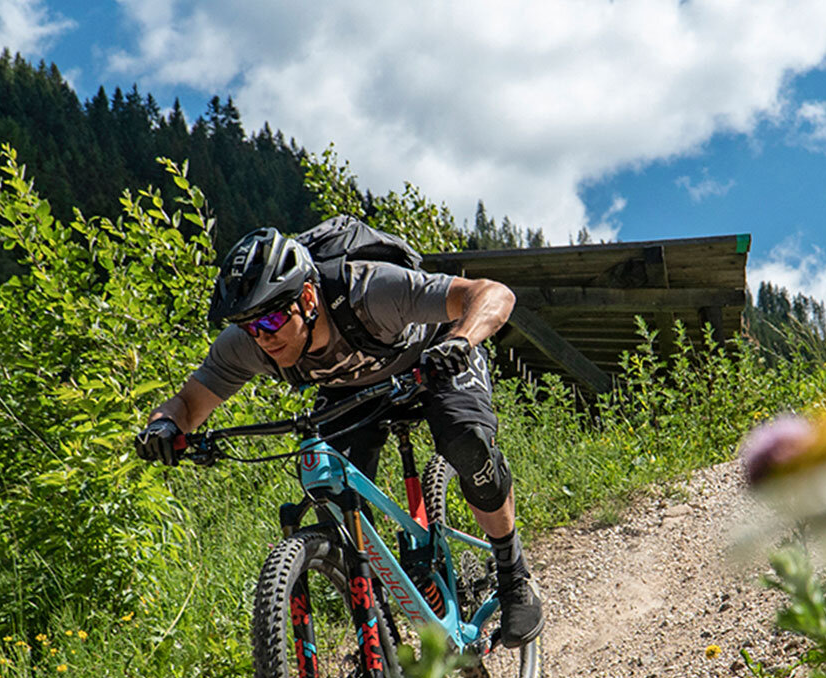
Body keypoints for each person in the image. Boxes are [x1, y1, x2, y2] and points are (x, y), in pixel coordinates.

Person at [134, 227, 543, 648]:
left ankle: (514, 577)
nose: (263, 337)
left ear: (308, 299)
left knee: (466, 445)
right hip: (354, 392)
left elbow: (492, 293)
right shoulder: (250, 343)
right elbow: (186, 404)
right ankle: (379, 626)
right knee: (330, 496)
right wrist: (162, 428)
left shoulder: (369, 291)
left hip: (434, 361)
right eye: (249, 326)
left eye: (273, 319)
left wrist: (459, 341)